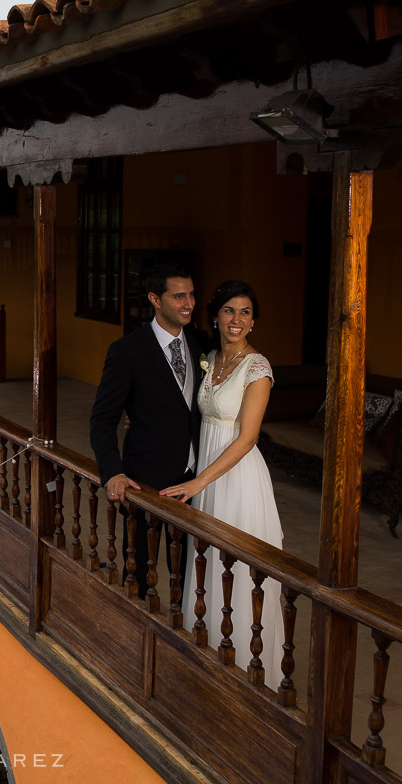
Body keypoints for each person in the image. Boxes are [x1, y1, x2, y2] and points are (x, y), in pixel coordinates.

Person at [160, 280, 284, 689]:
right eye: (230, 310)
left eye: (245, 312)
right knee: (207, 560)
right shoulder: (208, 357)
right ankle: (210, 650)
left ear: (254, 321)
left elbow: (247, 438)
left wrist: (198, 483)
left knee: (239, 566)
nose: (237, 319)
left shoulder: (258, 368)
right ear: (215, 316)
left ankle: (251, 667)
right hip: (207, 474)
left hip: (236, 477)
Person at [89, 263, 204, 598]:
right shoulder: (127, 351)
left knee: (189, 576)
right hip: (145, 482)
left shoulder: (200, 345)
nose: (189, 303)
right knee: (138, 573)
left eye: (192, 294)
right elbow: (102, 419)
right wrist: (113, 472)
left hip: (194, 479)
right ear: (155, 299)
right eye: (179, 296)